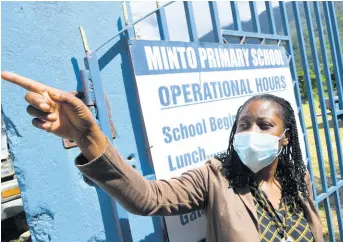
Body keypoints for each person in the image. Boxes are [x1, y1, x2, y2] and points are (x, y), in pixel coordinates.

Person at [1, 71, 322, 242]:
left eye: (264, 126)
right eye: (243, 125)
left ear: (285, 138)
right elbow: (147, 198)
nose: (251, 133)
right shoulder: (216, 177)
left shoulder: (297, 179)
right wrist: (88, 137)